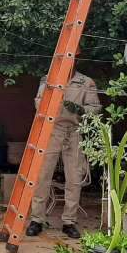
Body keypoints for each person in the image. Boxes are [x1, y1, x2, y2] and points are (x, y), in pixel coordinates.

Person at [26, 68, 101, 239]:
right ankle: (37, 220)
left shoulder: (86, 82)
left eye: (75, 56)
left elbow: (95, 108)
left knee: (74, 178)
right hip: (51, 129)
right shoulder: (48, 78)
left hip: (75, 130)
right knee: (42, 175)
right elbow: (38, 103)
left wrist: (79, 109)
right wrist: (53, 104)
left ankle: (69, 222)